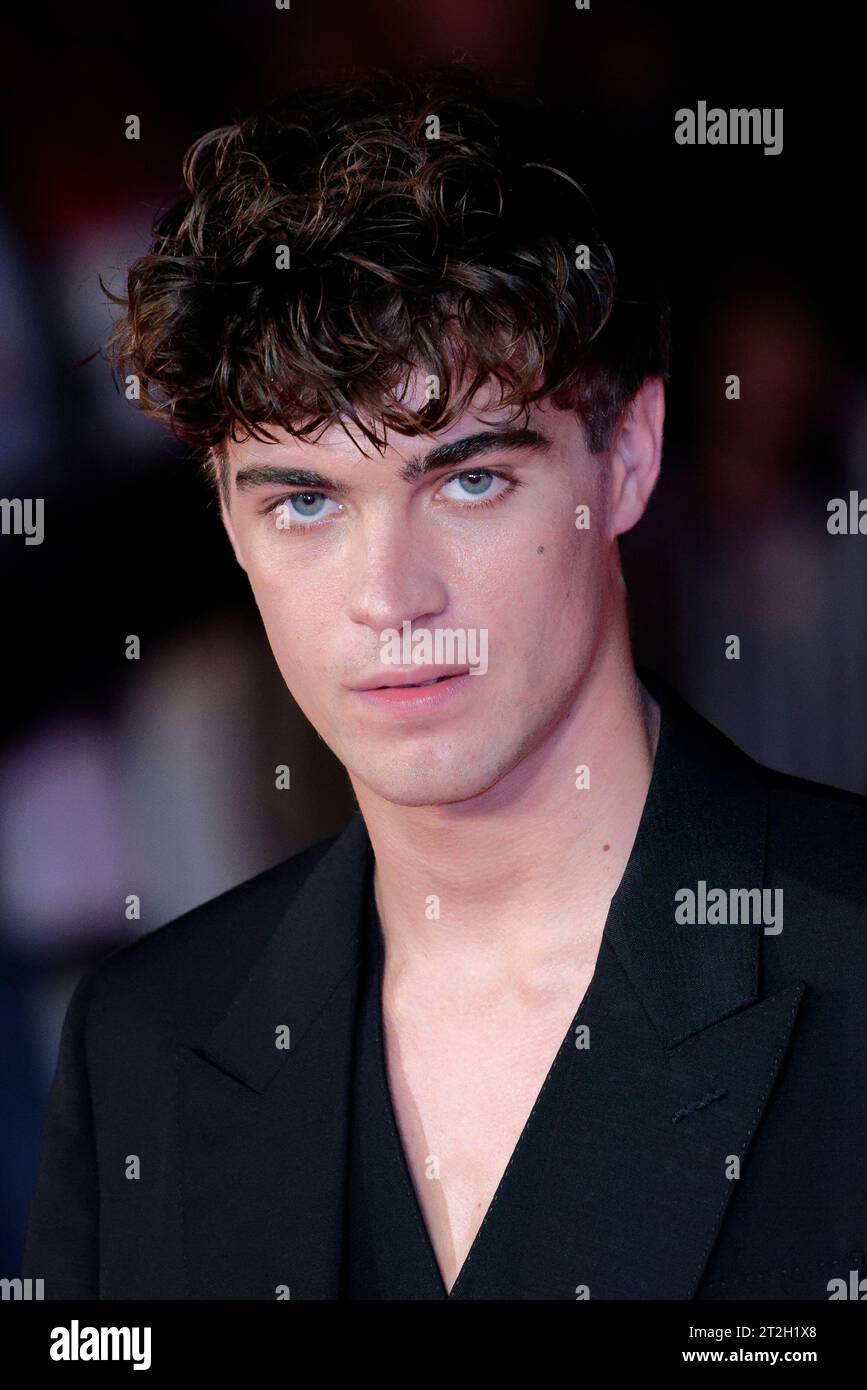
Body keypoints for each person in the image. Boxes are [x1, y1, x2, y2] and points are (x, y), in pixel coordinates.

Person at [22, 66, 867, 1300]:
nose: (390, 596)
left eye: (467, 480)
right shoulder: (144, 1046)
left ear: (626, 455)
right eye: (306, 502)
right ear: (227, 519)